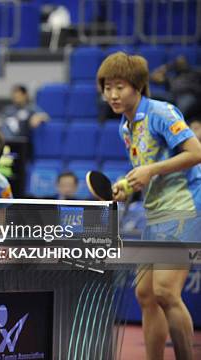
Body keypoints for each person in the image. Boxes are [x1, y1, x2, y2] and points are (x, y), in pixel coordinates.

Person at [98, 51, 201, 360]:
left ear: (138, 86)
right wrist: (127, 186)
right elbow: (148, 167)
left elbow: (195, 153)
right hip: (155, 212)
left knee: (166, 291)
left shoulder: (161, 112)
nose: (113, 95)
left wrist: (149, 171)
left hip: (184, 207)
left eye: (120, 86)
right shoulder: (125, 127)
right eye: (107, 87)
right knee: (145, 293)